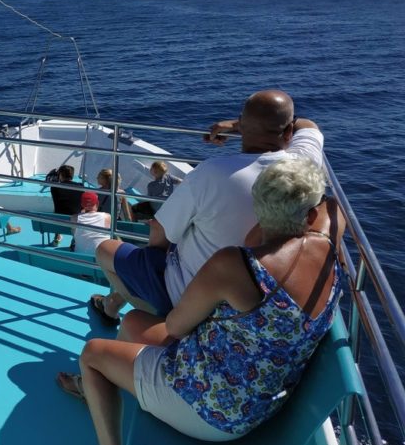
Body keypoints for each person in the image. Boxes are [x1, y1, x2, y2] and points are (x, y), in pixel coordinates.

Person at [58, 158, 344, 445]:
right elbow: (334, 207)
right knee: (133, 321)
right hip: (264, 397)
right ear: (311, 214)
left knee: (91, 355)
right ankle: (106, 389)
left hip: (211, 409)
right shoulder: (327, 248)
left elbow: (176, 325)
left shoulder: (235, 265)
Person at [92, 90, 324, 324]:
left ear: (242, 126)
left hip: (188, 295)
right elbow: (308, 124)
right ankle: (113, 304)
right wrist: (252, 125)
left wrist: (239, 125)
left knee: (105, 250)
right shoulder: (304, 166)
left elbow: (158, 232)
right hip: (257, 296)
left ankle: (159, 318)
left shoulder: (212, 173)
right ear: (288, 133)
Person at [50, 164, 84, 246]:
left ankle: (57, 237)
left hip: (59, 219)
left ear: (60, 175)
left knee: (58, 210)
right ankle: (75, 239)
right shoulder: (80, 186)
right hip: (76, 219)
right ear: (72, 175)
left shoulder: (54, 187)